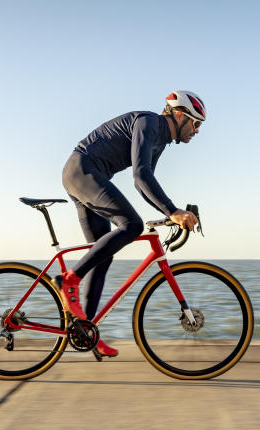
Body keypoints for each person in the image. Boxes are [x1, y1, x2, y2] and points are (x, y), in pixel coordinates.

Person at [55, 90, 205, 357]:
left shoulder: (160, 141)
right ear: (180, 115)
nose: (196, 131)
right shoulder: (149, 123)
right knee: (131, 226)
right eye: (195, 124)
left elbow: (146, 185)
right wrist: (172, 211)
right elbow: (140, 175)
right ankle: (69, 280)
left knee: (103, 257)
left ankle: (85, 331)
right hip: (83, 170)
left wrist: (168, 212)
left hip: (84, 174)